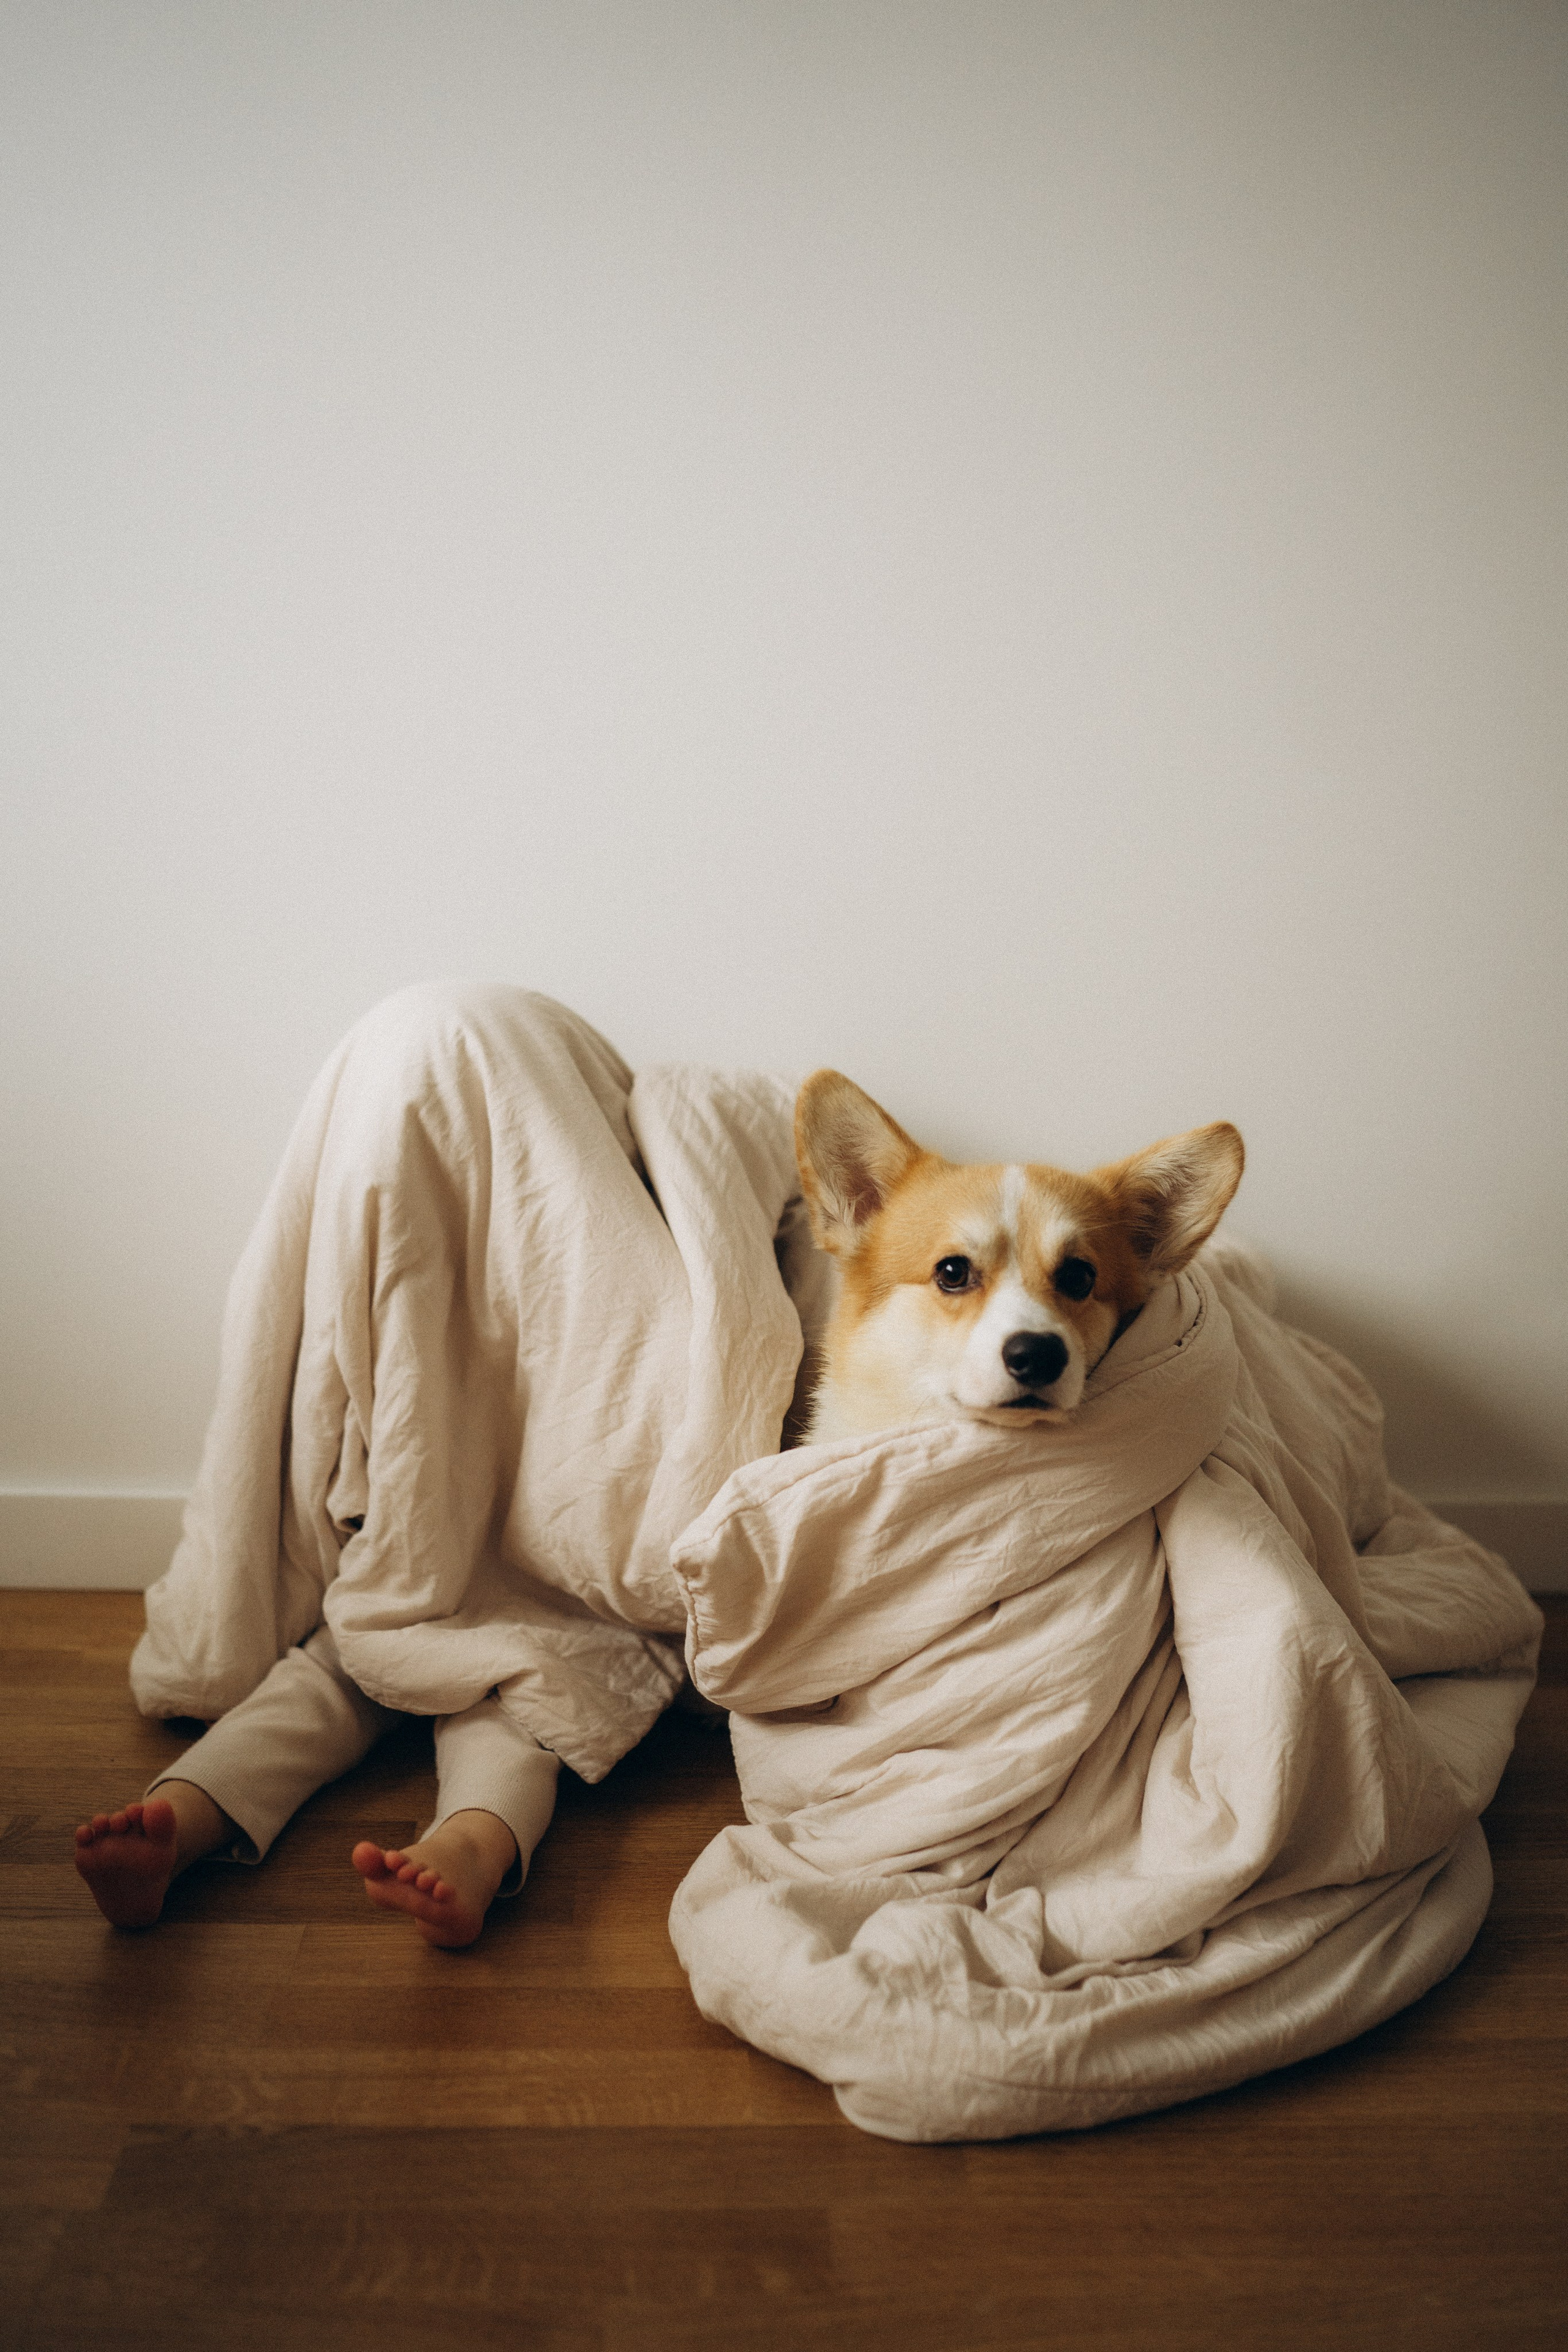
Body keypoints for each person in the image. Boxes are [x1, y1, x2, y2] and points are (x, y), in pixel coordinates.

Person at [73, 982, 827, 1947]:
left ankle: (471, 1845)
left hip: (572, 1588)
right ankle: (183, 1815)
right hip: (418, 1553)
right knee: (361, 1659)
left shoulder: (636, 1169)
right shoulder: (397, 1231)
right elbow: (325, 1372)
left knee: (517, 1689)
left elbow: (727, 1272)